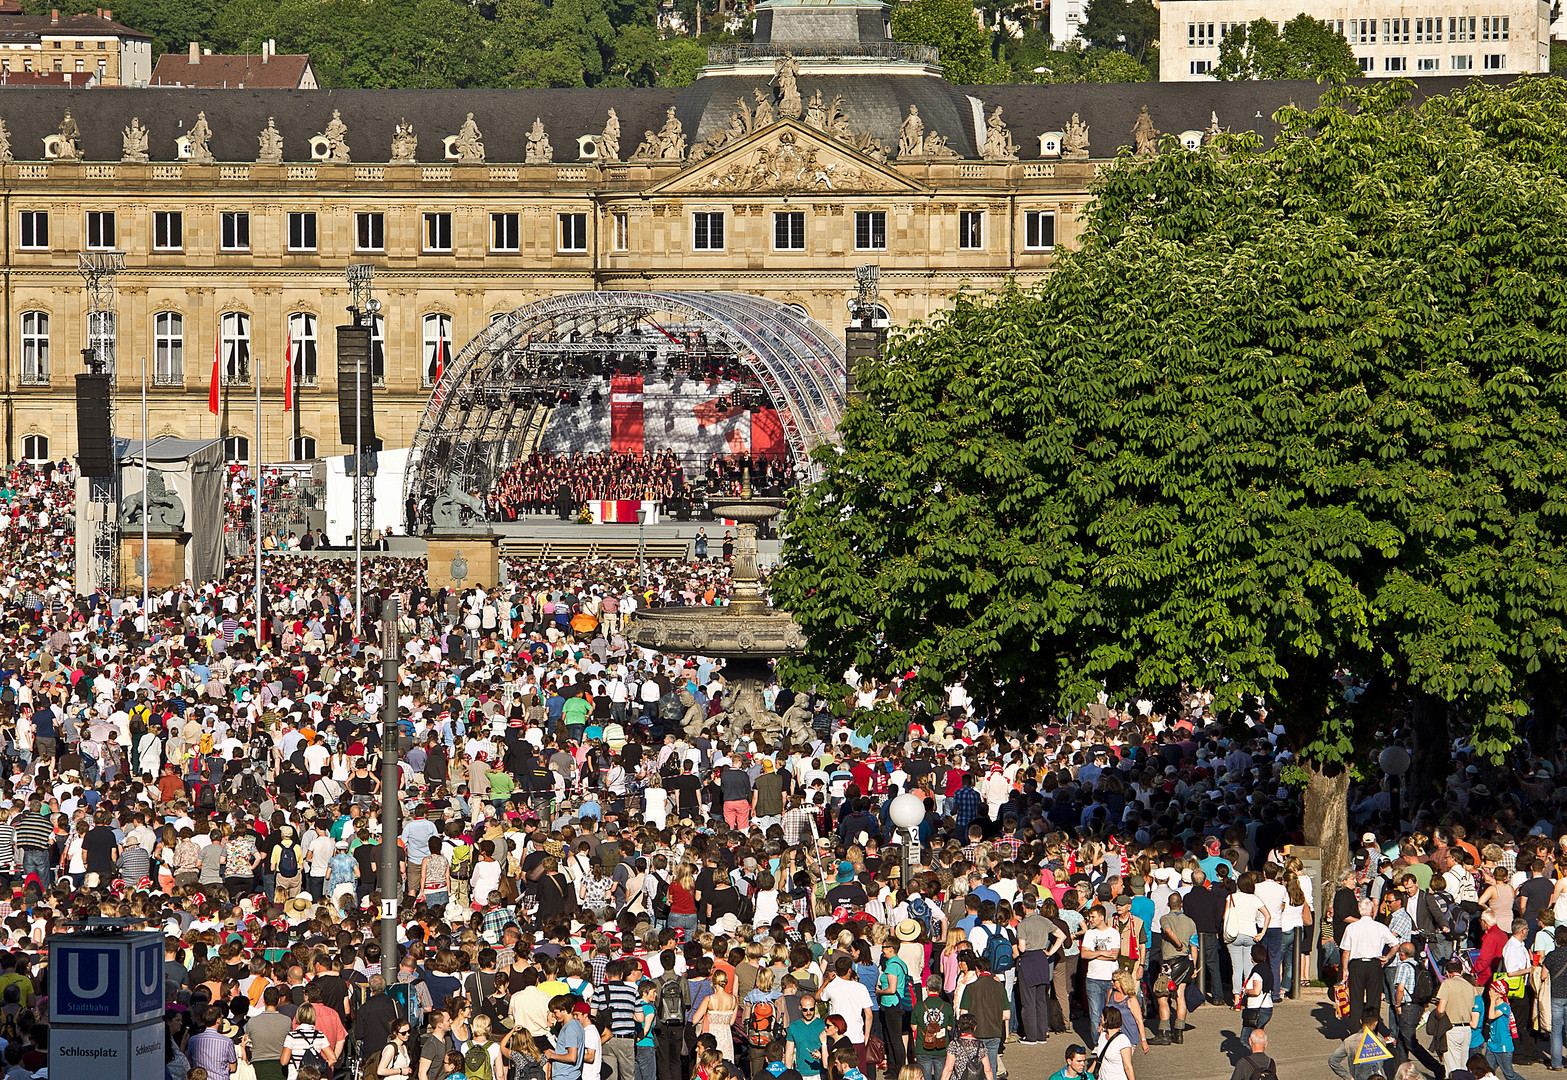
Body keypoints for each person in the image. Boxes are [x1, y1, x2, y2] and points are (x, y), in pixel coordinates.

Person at [937, 1015, 992, 1080]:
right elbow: (988, 1070)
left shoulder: (954, 1045)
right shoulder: (980, 1045)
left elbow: (948, 1069)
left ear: (959, 1027)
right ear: (974, 1027)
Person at [1239, 942, 1273, 1045]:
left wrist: (1246, 991)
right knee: (1258, 1038)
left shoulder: (1257, 971)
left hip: (1256, 1009)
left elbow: (1256, 991)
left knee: (1245, 1039)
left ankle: (1254, 1059)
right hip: (1267, 1007)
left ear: (1252, 956)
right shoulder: (1267, 968)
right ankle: (1258, 1057)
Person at [1090, 1008, 1135, 1080]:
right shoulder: (1102, 1036)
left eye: (1102, 1017)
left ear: (1106, 1020)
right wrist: (1088, 1073)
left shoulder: (1122, 1040)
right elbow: (1099, 1058)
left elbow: (1128, 1067)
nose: (1100, 1019)